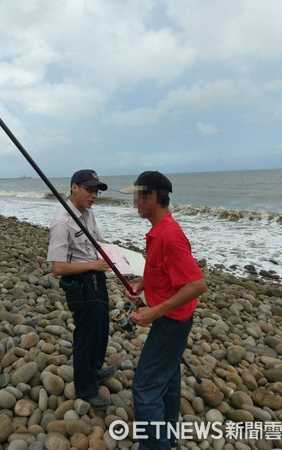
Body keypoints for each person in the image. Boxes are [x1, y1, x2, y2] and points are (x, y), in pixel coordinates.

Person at [122, 171, 207, 450]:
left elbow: (197, 284)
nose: (134, 202)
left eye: (138, 196)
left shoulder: (169, 236)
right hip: (174, 319)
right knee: (168, 377)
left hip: (171, 322)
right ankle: (167, 437)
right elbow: (160, 269)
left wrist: (154, 312)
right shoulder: (158, 230)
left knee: (145, 387)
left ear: (154, 197)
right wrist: (142, 284)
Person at [47, 169, 116, 410]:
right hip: (80, 284)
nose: (93, 195)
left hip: (97, 277)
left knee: (100, 327)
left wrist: (118, 255)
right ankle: (85, 388)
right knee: (87, 333)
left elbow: (96, 242)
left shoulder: (87, 214)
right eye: (89, 189)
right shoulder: (62, 222)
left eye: (96, 191)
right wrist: (93, 265)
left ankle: (94, 369)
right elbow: (57, 267)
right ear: (74, 187)